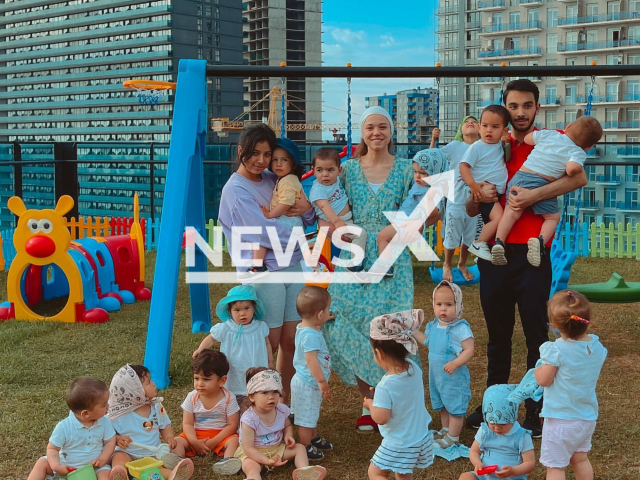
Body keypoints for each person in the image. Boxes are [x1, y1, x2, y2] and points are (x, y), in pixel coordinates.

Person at [465, 79, 588, 437]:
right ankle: (495, 404)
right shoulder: (491, 144)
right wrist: (475, 193)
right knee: (497, 335)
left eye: (527, 106)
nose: (520, 112)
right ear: (505, 107)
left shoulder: (553, 139)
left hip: (534, 252)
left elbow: (576, 179)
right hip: (495, 252)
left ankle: (536, 408)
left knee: (536, 334)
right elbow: (473, 204)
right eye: (514, 106)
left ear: (537, 108)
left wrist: (531, 197)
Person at [322, 106, 441, 433]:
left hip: (393, 254)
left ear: (391, 132)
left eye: (383, 127)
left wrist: (404, 228)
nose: (377, 133)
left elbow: (433, 209)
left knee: (392, 326)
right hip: (355, 253)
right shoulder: (345, 169)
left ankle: (402, 403)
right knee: (346, 319)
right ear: (362, 132)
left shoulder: (406, 169)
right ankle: (370, 402)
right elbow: (327, 203)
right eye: (371, 127)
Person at [218, 123, 316, 403]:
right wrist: (306, 237)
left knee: (290, 340)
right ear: (240, 152)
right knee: (266, 344)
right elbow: (263, 231)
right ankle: (257, 403)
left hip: (292, 266)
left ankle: (281, 400)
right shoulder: (235, 190)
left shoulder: (275, 178)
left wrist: (308, 212)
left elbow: (304, 212)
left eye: (266, 154)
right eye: (254, 153)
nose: (261, 160)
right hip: (264, 272)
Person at [493, 116, 603, 267]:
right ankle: (539, 241)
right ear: (589, 147)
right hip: (542, 183)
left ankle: (499, 242)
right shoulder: (578, 152)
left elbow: (528, 139)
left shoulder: (550, 134)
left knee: (511, 212)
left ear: (568, 126)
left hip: (520, 177)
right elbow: (572, 170)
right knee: (552, 218)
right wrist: (574, 166)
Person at [535, 291, 607, 480]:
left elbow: (543, 380)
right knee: (580, 460)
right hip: (586, 418)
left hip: (561, 420)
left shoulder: (556, 350)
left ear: (556, 326)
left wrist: (537, 371)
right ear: (587, 321)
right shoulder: (597, 348)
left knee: (555, 467)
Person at [365, 310, 434, 480]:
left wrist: (370, 404)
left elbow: (381, 417)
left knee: (375, 473)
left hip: (399, 442)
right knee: (403, 472)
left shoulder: (385, 386)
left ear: (379, 353)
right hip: (418, 436)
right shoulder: (413, 368)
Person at [235, 368, 327, 480]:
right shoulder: (249, 419)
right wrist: (266, 461)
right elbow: (248, 448)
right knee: (250, 465)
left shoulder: (281, 410)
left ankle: (304, 471)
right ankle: (253, 477)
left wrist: (288, 436)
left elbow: (287, 425)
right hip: (255, 452)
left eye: (275, 391)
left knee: (300, 448)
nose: (271, 396)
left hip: (277, 449)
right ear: (252, 396)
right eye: (264, 392)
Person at [412, 281, 474, 450]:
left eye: (449, 304)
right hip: (437, 375)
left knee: (454, 404)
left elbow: (469, 349)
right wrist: (412, 331)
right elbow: (427, 341)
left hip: (453, 376)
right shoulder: (433, 325)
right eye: (439, 304)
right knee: (442, 403)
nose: (443, 309)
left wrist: (455, 362)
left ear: (458, 305)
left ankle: (453, 437)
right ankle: (446, 429)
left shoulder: (459, 328)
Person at [107, 365, 193, 480]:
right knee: (119, 457)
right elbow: (107, 432)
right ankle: (120, 473)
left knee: (157, 466)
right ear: (134, 391)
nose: (153, 384)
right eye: (148, 382)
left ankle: (172, 475)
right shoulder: (118, 413)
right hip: (127, 451)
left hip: (151, 452)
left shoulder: (156, 406)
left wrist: (169, 437)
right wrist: (117, 439)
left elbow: (165, 424)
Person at [193, 284, 273, 405]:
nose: (242, 313)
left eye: (247, 308)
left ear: (254, 308)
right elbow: (211, 339)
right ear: (229, 311)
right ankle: (234, 414)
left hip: (256, 366)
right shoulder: (226, 328)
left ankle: (253, 415)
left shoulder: (260, 327)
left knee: (256, 391)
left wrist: (270, 361)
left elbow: (267, 344)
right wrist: (200, 349)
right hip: (234, 368)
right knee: (234, 395)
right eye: (237, 310)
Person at [376, 148, 448, 278]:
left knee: (382, 237)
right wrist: (433, 140)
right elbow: (430, 157)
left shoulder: (433, 191)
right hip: (403, 220)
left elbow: (434, 214)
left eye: (423, 173)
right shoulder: (421, 184)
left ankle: (384, 268)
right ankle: (390, 266)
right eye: (415, 171)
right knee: (391, 242)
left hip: (410, 224)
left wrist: (429, 201)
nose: (417, 176)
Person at [27, 378, 116, 480]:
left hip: (94, 468)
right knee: (42, 463)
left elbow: (110, 441)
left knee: (105, 473)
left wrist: (102, 459)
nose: (108, 407)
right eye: (104, 405)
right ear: (86, 414)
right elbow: (52, 448)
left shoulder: (104, 421)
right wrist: (56, 466)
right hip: (67, 469)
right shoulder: (64, 427)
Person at [173, 351, 242, 476]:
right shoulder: (192, 397)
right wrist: (194, 442)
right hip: (196, 434)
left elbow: (232, 425)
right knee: (177, 441)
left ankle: (228, 461)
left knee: (234, 440)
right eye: (196, 378)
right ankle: (178, 461)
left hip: (221, 435)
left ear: (222, 381)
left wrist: (214, 441)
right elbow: (188, 424)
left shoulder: (228, 398)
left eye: (206, 379)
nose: (200, 383)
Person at [248, 138, 306, 281]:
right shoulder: (283, 179)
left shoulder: (289, 180)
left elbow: (286, 203)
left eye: (284, 160)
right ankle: (259, 264)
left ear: (293, 164)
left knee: (261, 233)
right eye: (275, 160)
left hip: (290, 221)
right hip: (289, 221)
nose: (279, 164)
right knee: (262, 235)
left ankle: (257, 265)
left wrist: (269, 215)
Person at [431, 116, 481, 282]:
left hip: (475, 201)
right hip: (456, 199)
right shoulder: (455, 146)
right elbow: (432, 158)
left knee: (469, 237)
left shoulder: (484, 147)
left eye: (474, 121)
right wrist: (433, 139)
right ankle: (447, 264)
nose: (470, 122)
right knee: (452, 235)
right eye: (466, 121)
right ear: (461, 130)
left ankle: (462, 263)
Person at [458, 105, 510, 261]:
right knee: (498, 218)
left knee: (497, 219)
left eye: (495, 127)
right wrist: (473, 186)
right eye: (485, 126)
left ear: (504, 130)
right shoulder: (477, 147)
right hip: (484, 190)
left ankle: (481, 251)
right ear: (479, 128)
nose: (489, 130)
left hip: (496, 193)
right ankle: (479, 243)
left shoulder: (498, 146)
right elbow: (463, 166)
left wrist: (505, 141)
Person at [291, 286, 334, 461]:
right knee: (304, 418)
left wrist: (324, 318)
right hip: (309, 383)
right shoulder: (311, 336)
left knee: (310, 413)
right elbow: (311, 360)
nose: (328, 312)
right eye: (327, 310)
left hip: (305, 380)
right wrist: (322, 382)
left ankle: (312, 437)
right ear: (319, 314)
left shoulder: (304, 326)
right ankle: (305, 445)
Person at [459, 384, 535, 480]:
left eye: (503, 424)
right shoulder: (485, 431)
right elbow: (474, 451)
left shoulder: (522, 436)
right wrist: (477, 462)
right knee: (465, 477)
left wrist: (513, 471)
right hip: (485, 476)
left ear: (513, 418)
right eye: (492, 423)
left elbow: (530, 463)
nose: (497, 428)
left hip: (512, 477)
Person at [309, 147, 367, 273]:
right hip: (338, 222)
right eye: (320, 170)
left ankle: (339, 264)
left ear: (339, 170)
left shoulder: (335, 181)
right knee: (361, 234)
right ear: (313, 171)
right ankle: (354, 265)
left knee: (350, 242)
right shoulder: (318, 189)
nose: (325, 174)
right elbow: (324, 206)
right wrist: (336, 222)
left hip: (344, 221)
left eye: (330, 170)